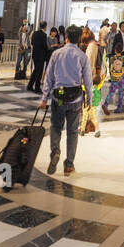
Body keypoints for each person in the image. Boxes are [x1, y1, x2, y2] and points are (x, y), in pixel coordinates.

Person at [41, 23, 92, 177]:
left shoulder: (57, 54)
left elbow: (49, 76)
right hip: (75, 98)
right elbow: (88, 80)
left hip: (58, 97)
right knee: (72, 132)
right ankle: (69, 165)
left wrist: (44, 98)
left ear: (67, 37)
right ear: (79, 39)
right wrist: (89, 98)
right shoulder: (82, 56)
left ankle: (55, 150)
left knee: (56, 127)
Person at [103, 48, 124, 117]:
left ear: (115, 50)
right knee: (121, 93)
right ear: (122, 50)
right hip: (122, 78)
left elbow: (110, 68)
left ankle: (105, 104)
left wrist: (112, 76)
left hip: (114, 78)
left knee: (111, 92)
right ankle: (119, 108)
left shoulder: (112, 58)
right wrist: (122, 76)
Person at [27, 20, 49, 93]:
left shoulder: (35, 33)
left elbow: (32, 42)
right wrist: (47, 49)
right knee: (39, 72)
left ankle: (30, 85)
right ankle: (37, 87)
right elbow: (44, 45)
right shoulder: (44, 35)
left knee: (36, 70)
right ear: (45, 27)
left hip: (35, 55)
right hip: (41, 56)